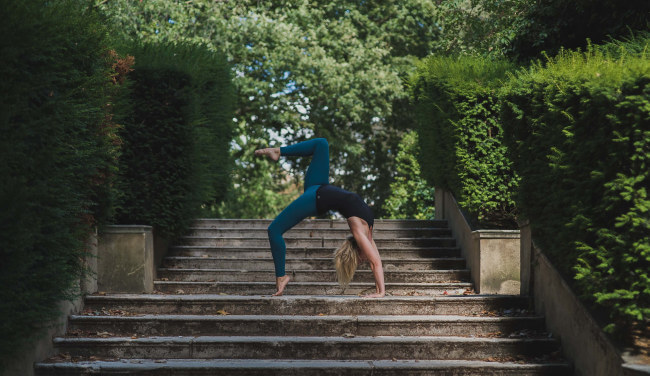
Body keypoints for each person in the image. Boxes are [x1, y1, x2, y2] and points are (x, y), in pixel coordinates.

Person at [255, 138, 385, 298]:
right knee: (322, 143)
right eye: (361, 261)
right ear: (359, 251)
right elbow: (375, 263)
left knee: (274, 230)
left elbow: (375, 263)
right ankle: (278, 151)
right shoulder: (360, 231)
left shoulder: (364, 231)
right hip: (318, 188)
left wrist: (380, 292)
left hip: (317, 197)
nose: (364, 261)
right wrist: (381, 292)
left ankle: (281, 277)